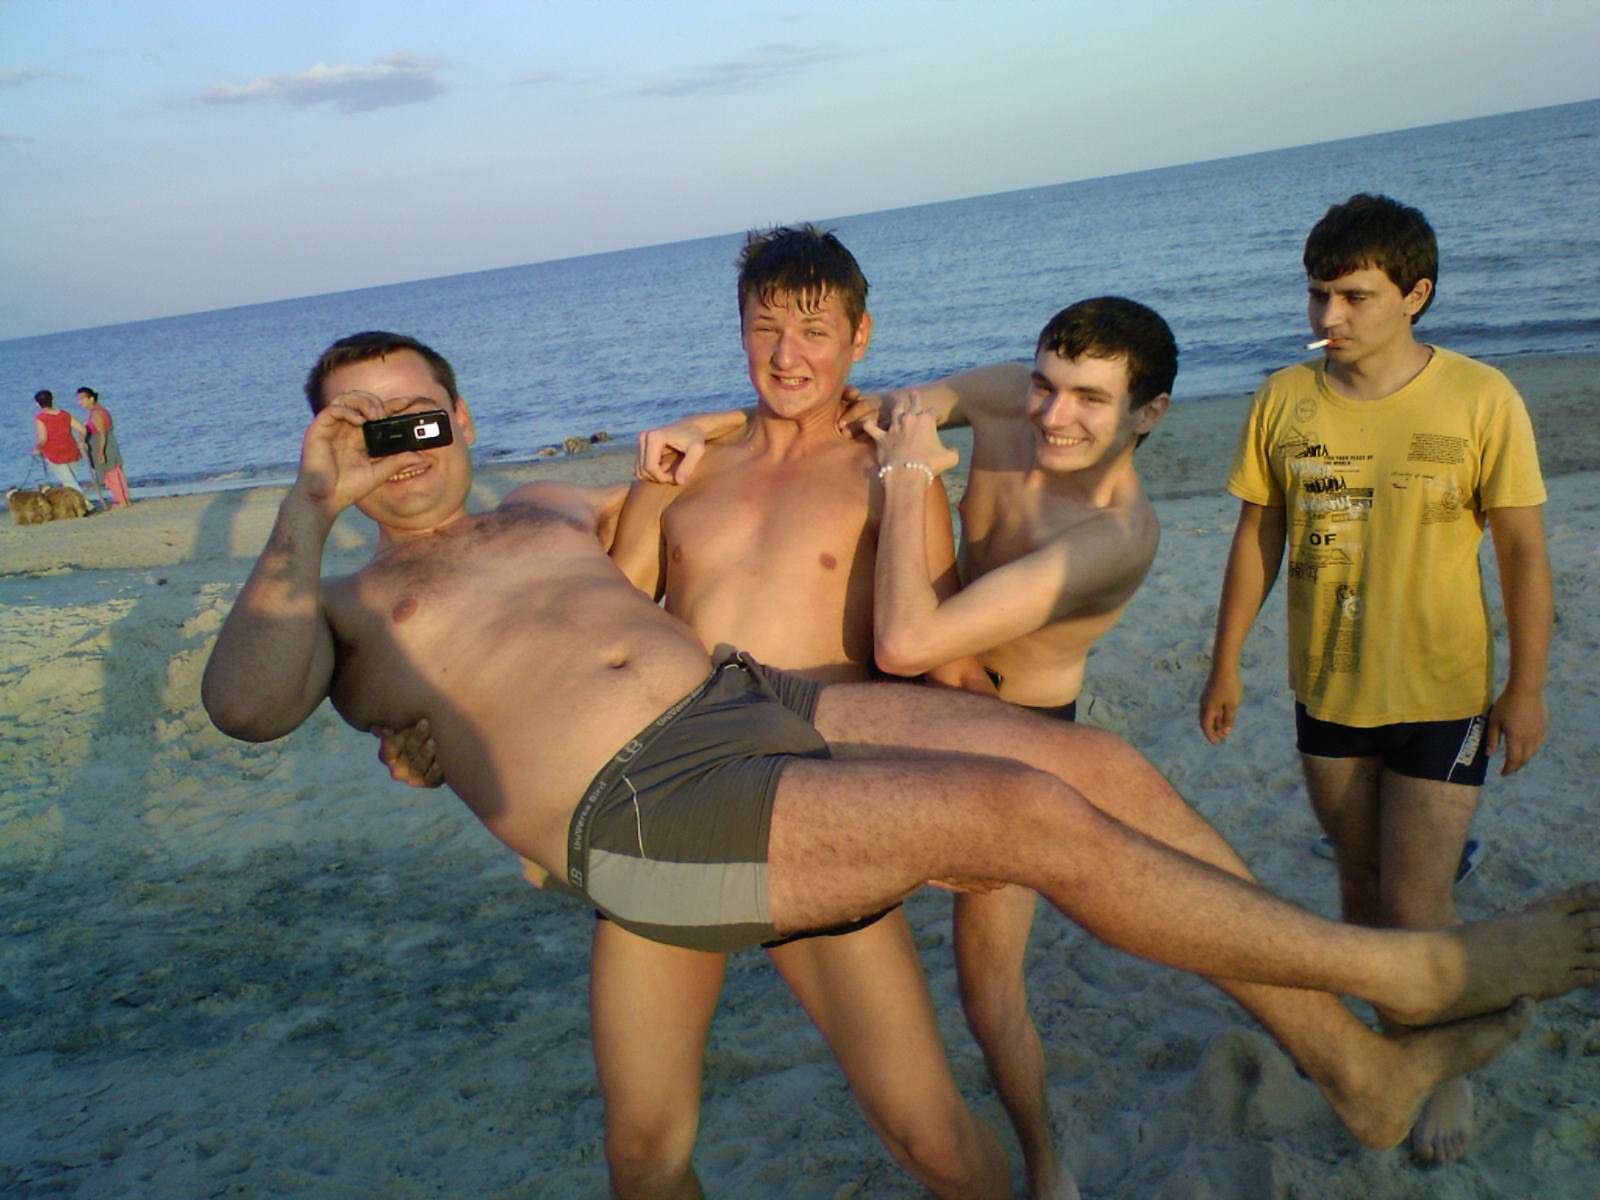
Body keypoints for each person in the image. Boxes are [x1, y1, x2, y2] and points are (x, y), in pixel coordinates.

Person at [201, 331, 1600, 1187]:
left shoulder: (555, 509)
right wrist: (308, 510)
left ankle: (1350, 1066)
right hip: (651, 808)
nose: (398, 446)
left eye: (416, 415)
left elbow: (727, 466)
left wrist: (741, 422)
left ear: (462, 417)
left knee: (1090, 772)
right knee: (1016, 816)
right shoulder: (340, 601)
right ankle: (1411, 975)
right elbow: (247, 709)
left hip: (758, 710)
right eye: (361, 426)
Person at [641, 296, 1175, 1196]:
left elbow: (910, 639)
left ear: (1148, 413)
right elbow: (847, 405)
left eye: (1090, 399)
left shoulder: (1117, 535)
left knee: (988, 991)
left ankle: (1044, 1164)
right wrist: (707, 427)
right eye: (1046, 385)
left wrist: (908, 477)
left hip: (1011, 728)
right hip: (913, 701)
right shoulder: (1004, 399)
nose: (1054, 415)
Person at [1197, 194, 1554, 1164]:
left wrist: (1526, 688)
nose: (1329, 316)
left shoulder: (1481, 397)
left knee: (1419, 901)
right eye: (1318, 294)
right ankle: (1392, 1043)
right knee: (1358, 886)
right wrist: (1225, 663)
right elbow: (1255, 538)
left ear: (1415, 294)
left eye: (1353, 296)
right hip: (1327, 694)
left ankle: (1444, 1065)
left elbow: (1523, 551)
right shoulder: (1283, 399)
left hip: (1444, 695)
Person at [31, 389, 93, 501]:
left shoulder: (41, 418)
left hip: (54, 454)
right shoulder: (64, 414)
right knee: (71, 481)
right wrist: (81, 441)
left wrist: (37, 448)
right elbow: (83, 429)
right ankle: (74, 505)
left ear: (38, 404)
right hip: (71, 450)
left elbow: (43, 438)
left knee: (69, 483)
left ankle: (85, 504)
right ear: (52, 400)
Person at [76, 387, 132, 509]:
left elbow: (102, 433)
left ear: (91, 398)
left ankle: (121, 500)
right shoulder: (100, 410)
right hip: (107, 443)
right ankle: (124, 499)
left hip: (103, 444)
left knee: (110, 473)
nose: (80, 402)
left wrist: (101, 451)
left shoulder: (96, 412)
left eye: (82, 399)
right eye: (79, 399)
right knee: (115, 472)